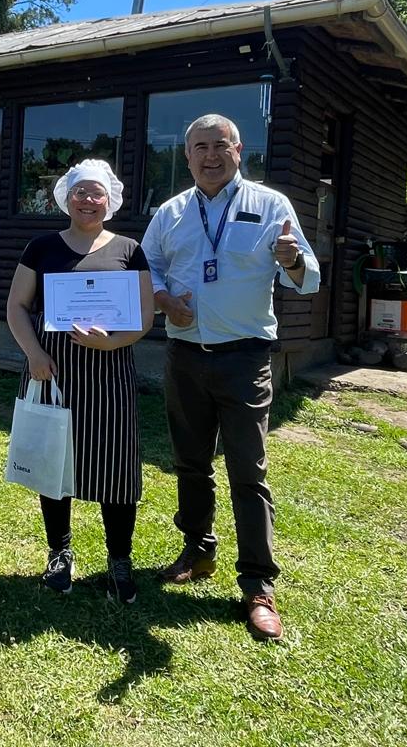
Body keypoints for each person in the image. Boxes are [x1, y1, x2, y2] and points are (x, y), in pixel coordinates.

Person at [140, 113, 320, 641]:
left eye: (220, 146)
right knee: (190, 463)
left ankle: (258, 586)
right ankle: (197, 551)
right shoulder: (171, 212)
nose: (210, 156)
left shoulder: (271, 206)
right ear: (187, 154)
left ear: (240, 150)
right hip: (186, 357)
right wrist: (163, 298)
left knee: (248, 470)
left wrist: (291, 261)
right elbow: (145, 264)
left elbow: (308, 279)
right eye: (200, 147)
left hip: (245, 358)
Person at [7, 159, 155, 602]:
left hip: (109, 373)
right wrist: (34, 353)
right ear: (65, 198)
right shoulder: (41, 247)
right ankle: (59, 553)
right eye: (79, 192)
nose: (87, 200)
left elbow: (145, 316)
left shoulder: (129, 249)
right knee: (55, 461)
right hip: (52, 370)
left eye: (96, 193)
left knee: (115, 465)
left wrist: (112, 344)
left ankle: (119, 560)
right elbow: (17, 306)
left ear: (110, 200)